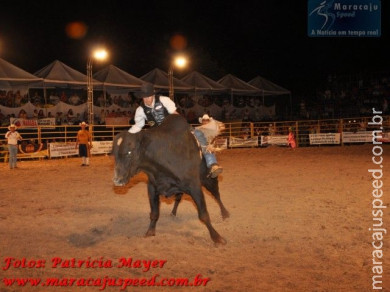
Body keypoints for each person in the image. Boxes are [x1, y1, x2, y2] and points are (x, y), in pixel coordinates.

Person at [128, 82, 223, 178]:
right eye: (144, 97)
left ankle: (212, 164)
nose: (146, 99)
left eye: (148, 96)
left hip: (173, 129)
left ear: (153, 95)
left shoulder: (164, 100)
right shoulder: (140, 110)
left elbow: (175, 114)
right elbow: (138, 126)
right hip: (157, 135)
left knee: (199, 135)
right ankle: (135, 167)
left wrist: (184, 126)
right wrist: (127, 135)